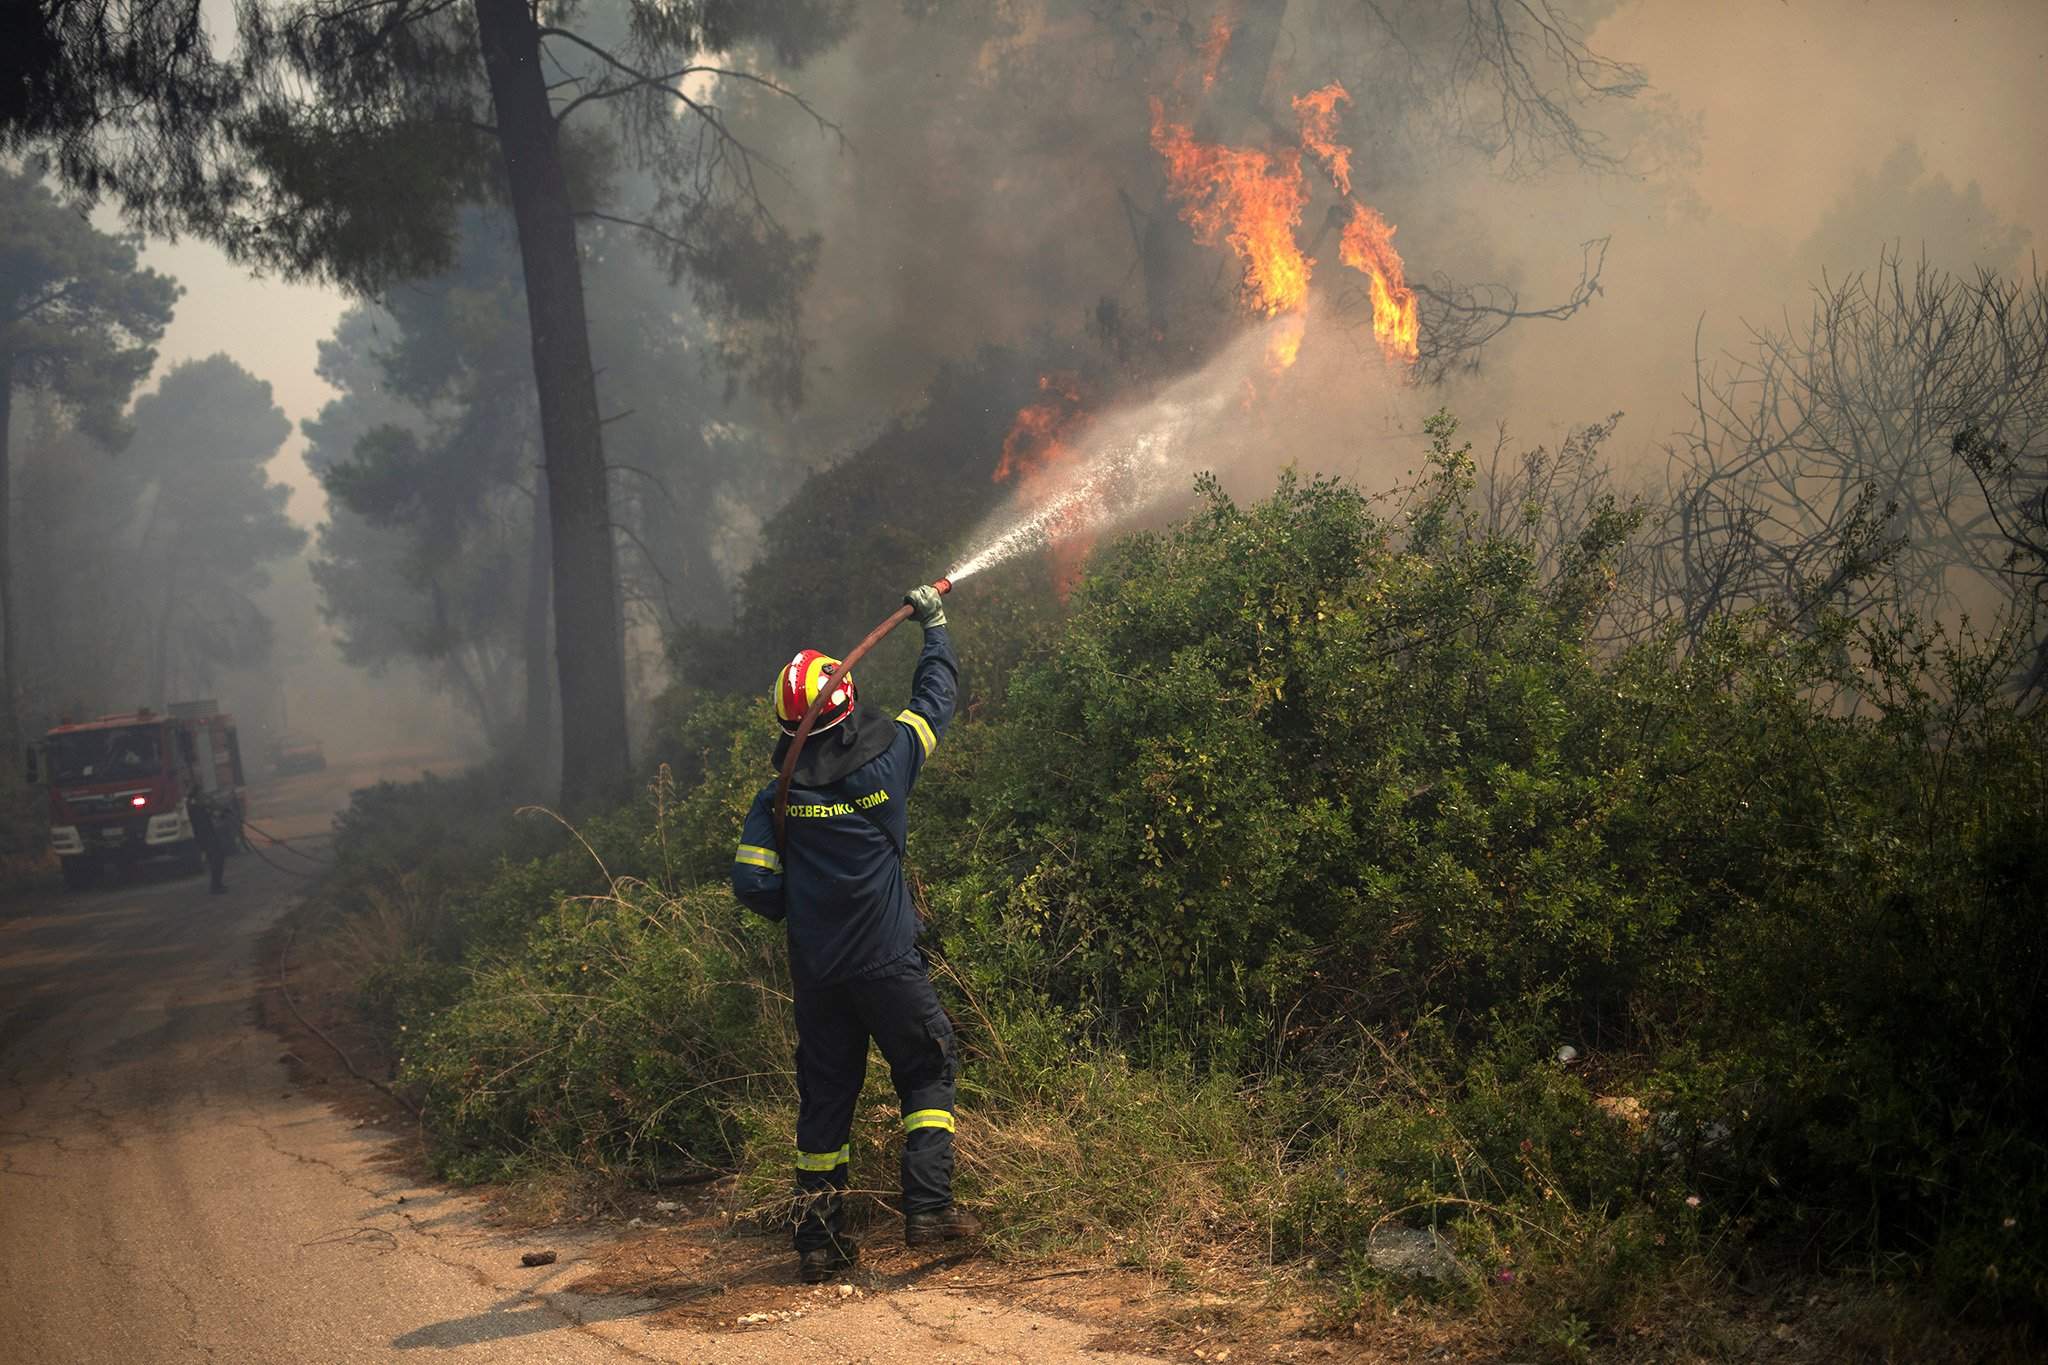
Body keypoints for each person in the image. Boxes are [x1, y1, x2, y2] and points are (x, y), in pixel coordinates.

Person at [731, 584, 977, 1284]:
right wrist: (936, 627)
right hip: (890, 963)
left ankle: (818, 1244)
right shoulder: (889, 757)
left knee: (826, 1098)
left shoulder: (777, 795)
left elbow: (752, 883)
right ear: (848, 708)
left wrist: (799, 905)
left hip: (819, 974)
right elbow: (935, 703)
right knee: (926, 1068)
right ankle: (928, 1209)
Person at [188, 791, 227, 893]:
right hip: (206, 838)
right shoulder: (195, 809)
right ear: (196, 797)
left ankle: (217, 884)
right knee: (216, 860)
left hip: (209, 837)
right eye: (200, 796)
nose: (203, 798)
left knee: (218, 859)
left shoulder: (199, 808)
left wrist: (222, 812)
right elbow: (211, 813)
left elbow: (215, 815)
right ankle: (215, 886)